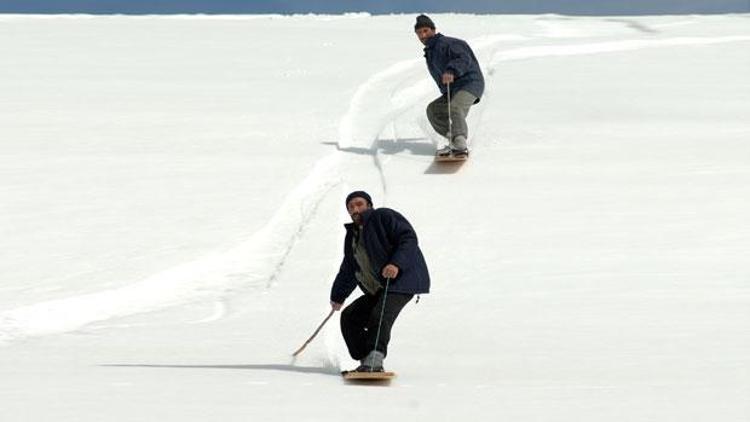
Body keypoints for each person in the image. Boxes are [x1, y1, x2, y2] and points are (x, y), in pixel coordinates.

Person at [330, 191, 430, 372]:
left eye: (359, 204)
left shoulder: (382, 216)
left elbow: (407, 238)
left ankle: (375, 360)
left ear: (369, 205)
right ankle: (366, 359)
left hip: (401, 280)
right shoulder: (352, 235)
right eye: (350, 207)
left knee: (380, 314)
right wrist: (338, 295)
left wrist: (395, 263)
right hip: (380, 287)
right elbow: (349, 268)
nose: (355, 209)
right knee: (350, 317)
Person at [415, 14, 485, 158]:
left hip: (470, 82)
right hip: (454, 89)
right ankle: (453, 138)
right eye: (419, 33)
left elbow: (463, 58)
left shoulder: (447, 43)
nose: (423, 35)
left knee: (455, 107)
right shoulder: (430, 52)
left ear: (433, 30)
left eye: (425, 30)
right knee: (434, 110)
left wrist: (451, 70)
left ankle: (460, 143)